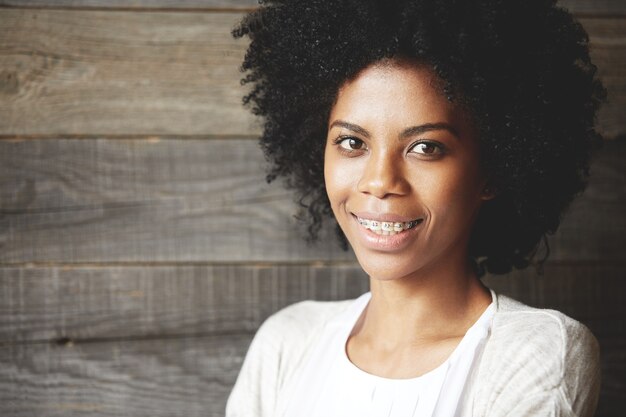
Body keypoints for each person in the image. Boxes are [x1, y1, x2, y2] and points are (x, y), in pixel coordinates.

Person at [227, 0, 606, 416]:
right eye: (352, 142)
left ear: (491, 172)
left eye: (425, 148)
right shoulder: (288, 342)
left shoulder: (536, 351)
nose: (379, 181)